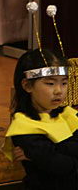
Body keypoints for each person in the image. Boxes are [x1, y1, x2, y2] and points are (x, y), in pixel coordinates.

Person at [4, 48, 77, 189]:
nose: (59, 91)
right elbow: (61, 166)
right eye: (50, 83)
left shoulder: (69, 114)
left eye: (64, 83)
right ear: (27, 85)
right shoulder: (24, 126)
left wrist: (53, 149)